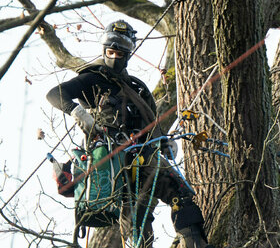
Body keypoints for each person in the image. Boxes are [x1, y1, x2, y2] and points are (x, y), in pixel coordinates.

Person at [46, 20, 213, 248]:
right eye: (110, 52)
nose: (114, 57)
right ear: (104, 51)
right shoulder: (94, 78)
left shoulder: (138, 88)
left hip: (144, 154)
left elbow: (152, 123)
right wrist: (76, 111)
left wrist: (164, 141)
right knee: (135, 221)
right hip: (113, 158)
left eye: (119, 53)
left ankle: (195, 245)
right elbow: (55, 93)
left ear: (128, 55)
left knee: (180, 193)